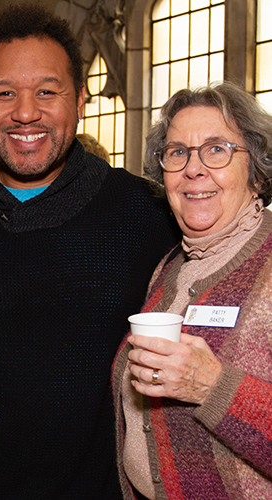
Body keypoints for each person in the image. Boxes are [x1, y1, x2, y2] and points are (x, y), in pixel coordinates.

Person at [0, 4, 179, 498]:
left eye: (47, 91)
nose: (26, 112)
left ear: (81, 99)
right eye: (4, 93)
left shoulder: (147, 214)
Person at [112, 82, 272, 499]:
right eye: (177, 152)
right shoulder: (171, 269)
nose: (193, 169)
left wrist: (212, 387)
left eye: (217, 149)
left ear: (256, 168)